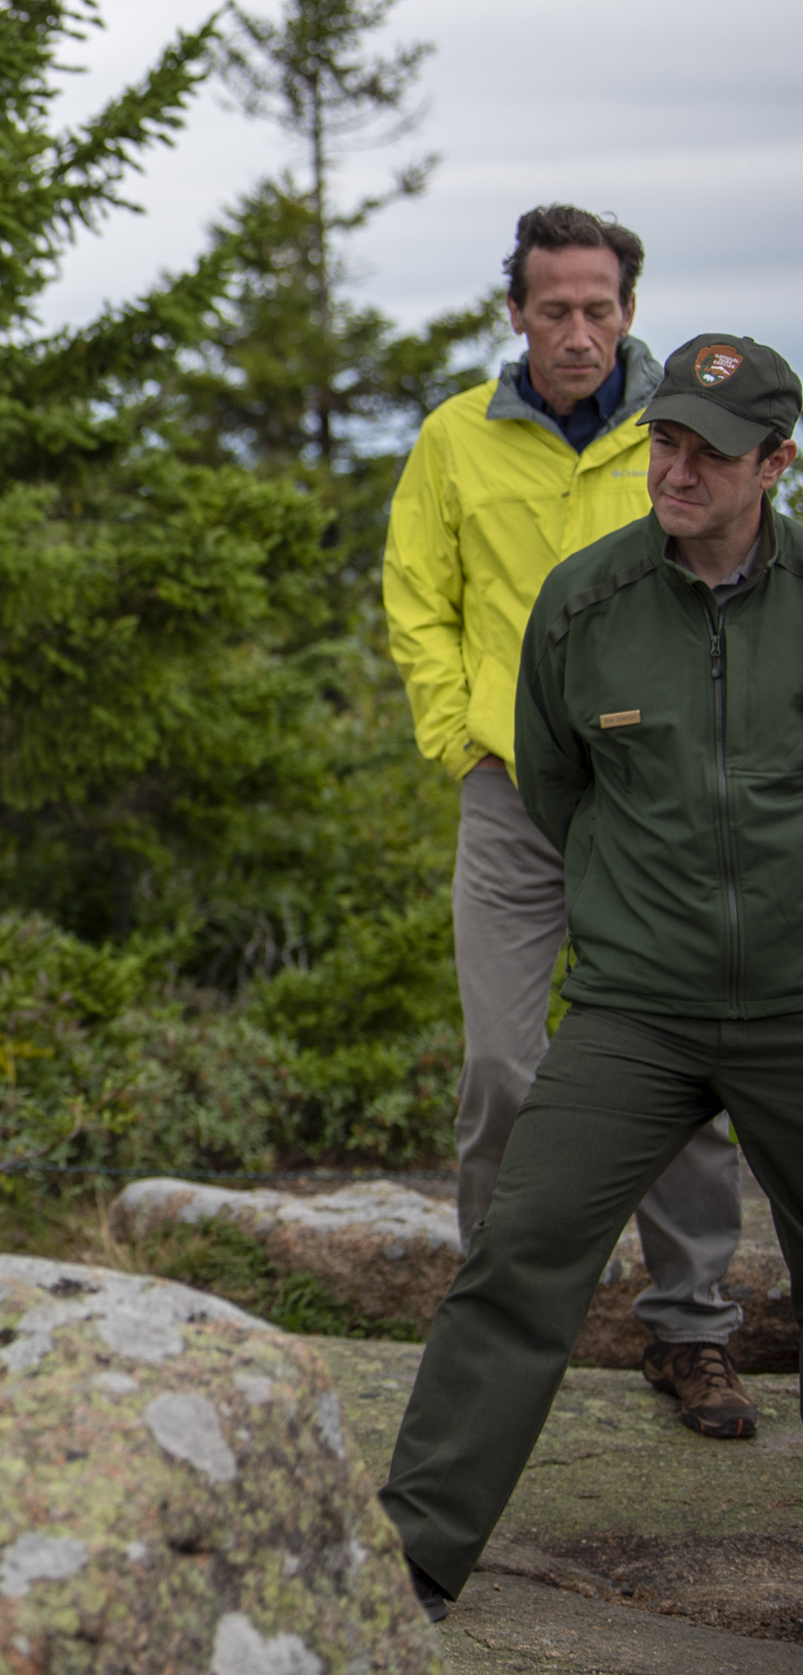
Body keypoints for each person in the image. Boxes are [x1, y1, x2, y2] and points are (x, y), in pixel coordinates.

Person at [381, 334, 803, 1618]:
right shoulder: (584, 601)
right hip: (638, 1013)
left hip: (796, 1007)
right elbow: (557, 788)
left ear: (776, 465)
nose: (674, 468)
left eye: (709, 452)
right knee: (520, 1255)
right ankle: (406, 1559)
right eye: (665, 439)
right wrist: (642, 917)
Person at [381, 204, 753, 1436]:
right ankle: (499, 1322)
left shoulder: (682, 436)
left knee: (684, 1058)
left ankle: (692, 1327)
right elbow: (417, 599)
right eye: (556, 309)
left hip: (659, 800)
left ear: (630, 311)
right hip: (510, 791)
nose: (580, 330)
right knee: (502, 1059)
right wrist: (458, 731)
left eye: (600, 308)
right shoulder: (453, 439)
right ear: (518, 315)